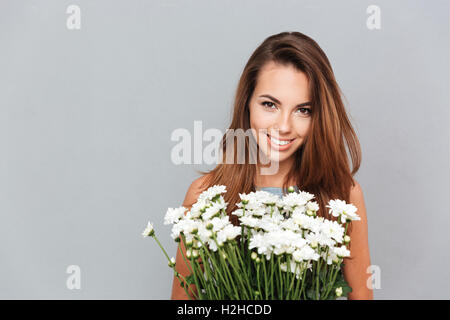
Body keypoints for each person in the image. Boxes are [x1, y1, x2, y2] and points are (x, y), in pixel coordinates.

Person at [171, 31, 373, 300]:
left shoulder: (343, 195)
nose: (284, 126)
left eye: (303, 110)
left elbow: (361, 295)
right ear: (247, 104)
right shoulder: (204, 196)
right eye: (270, 104)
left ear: (319, 117)